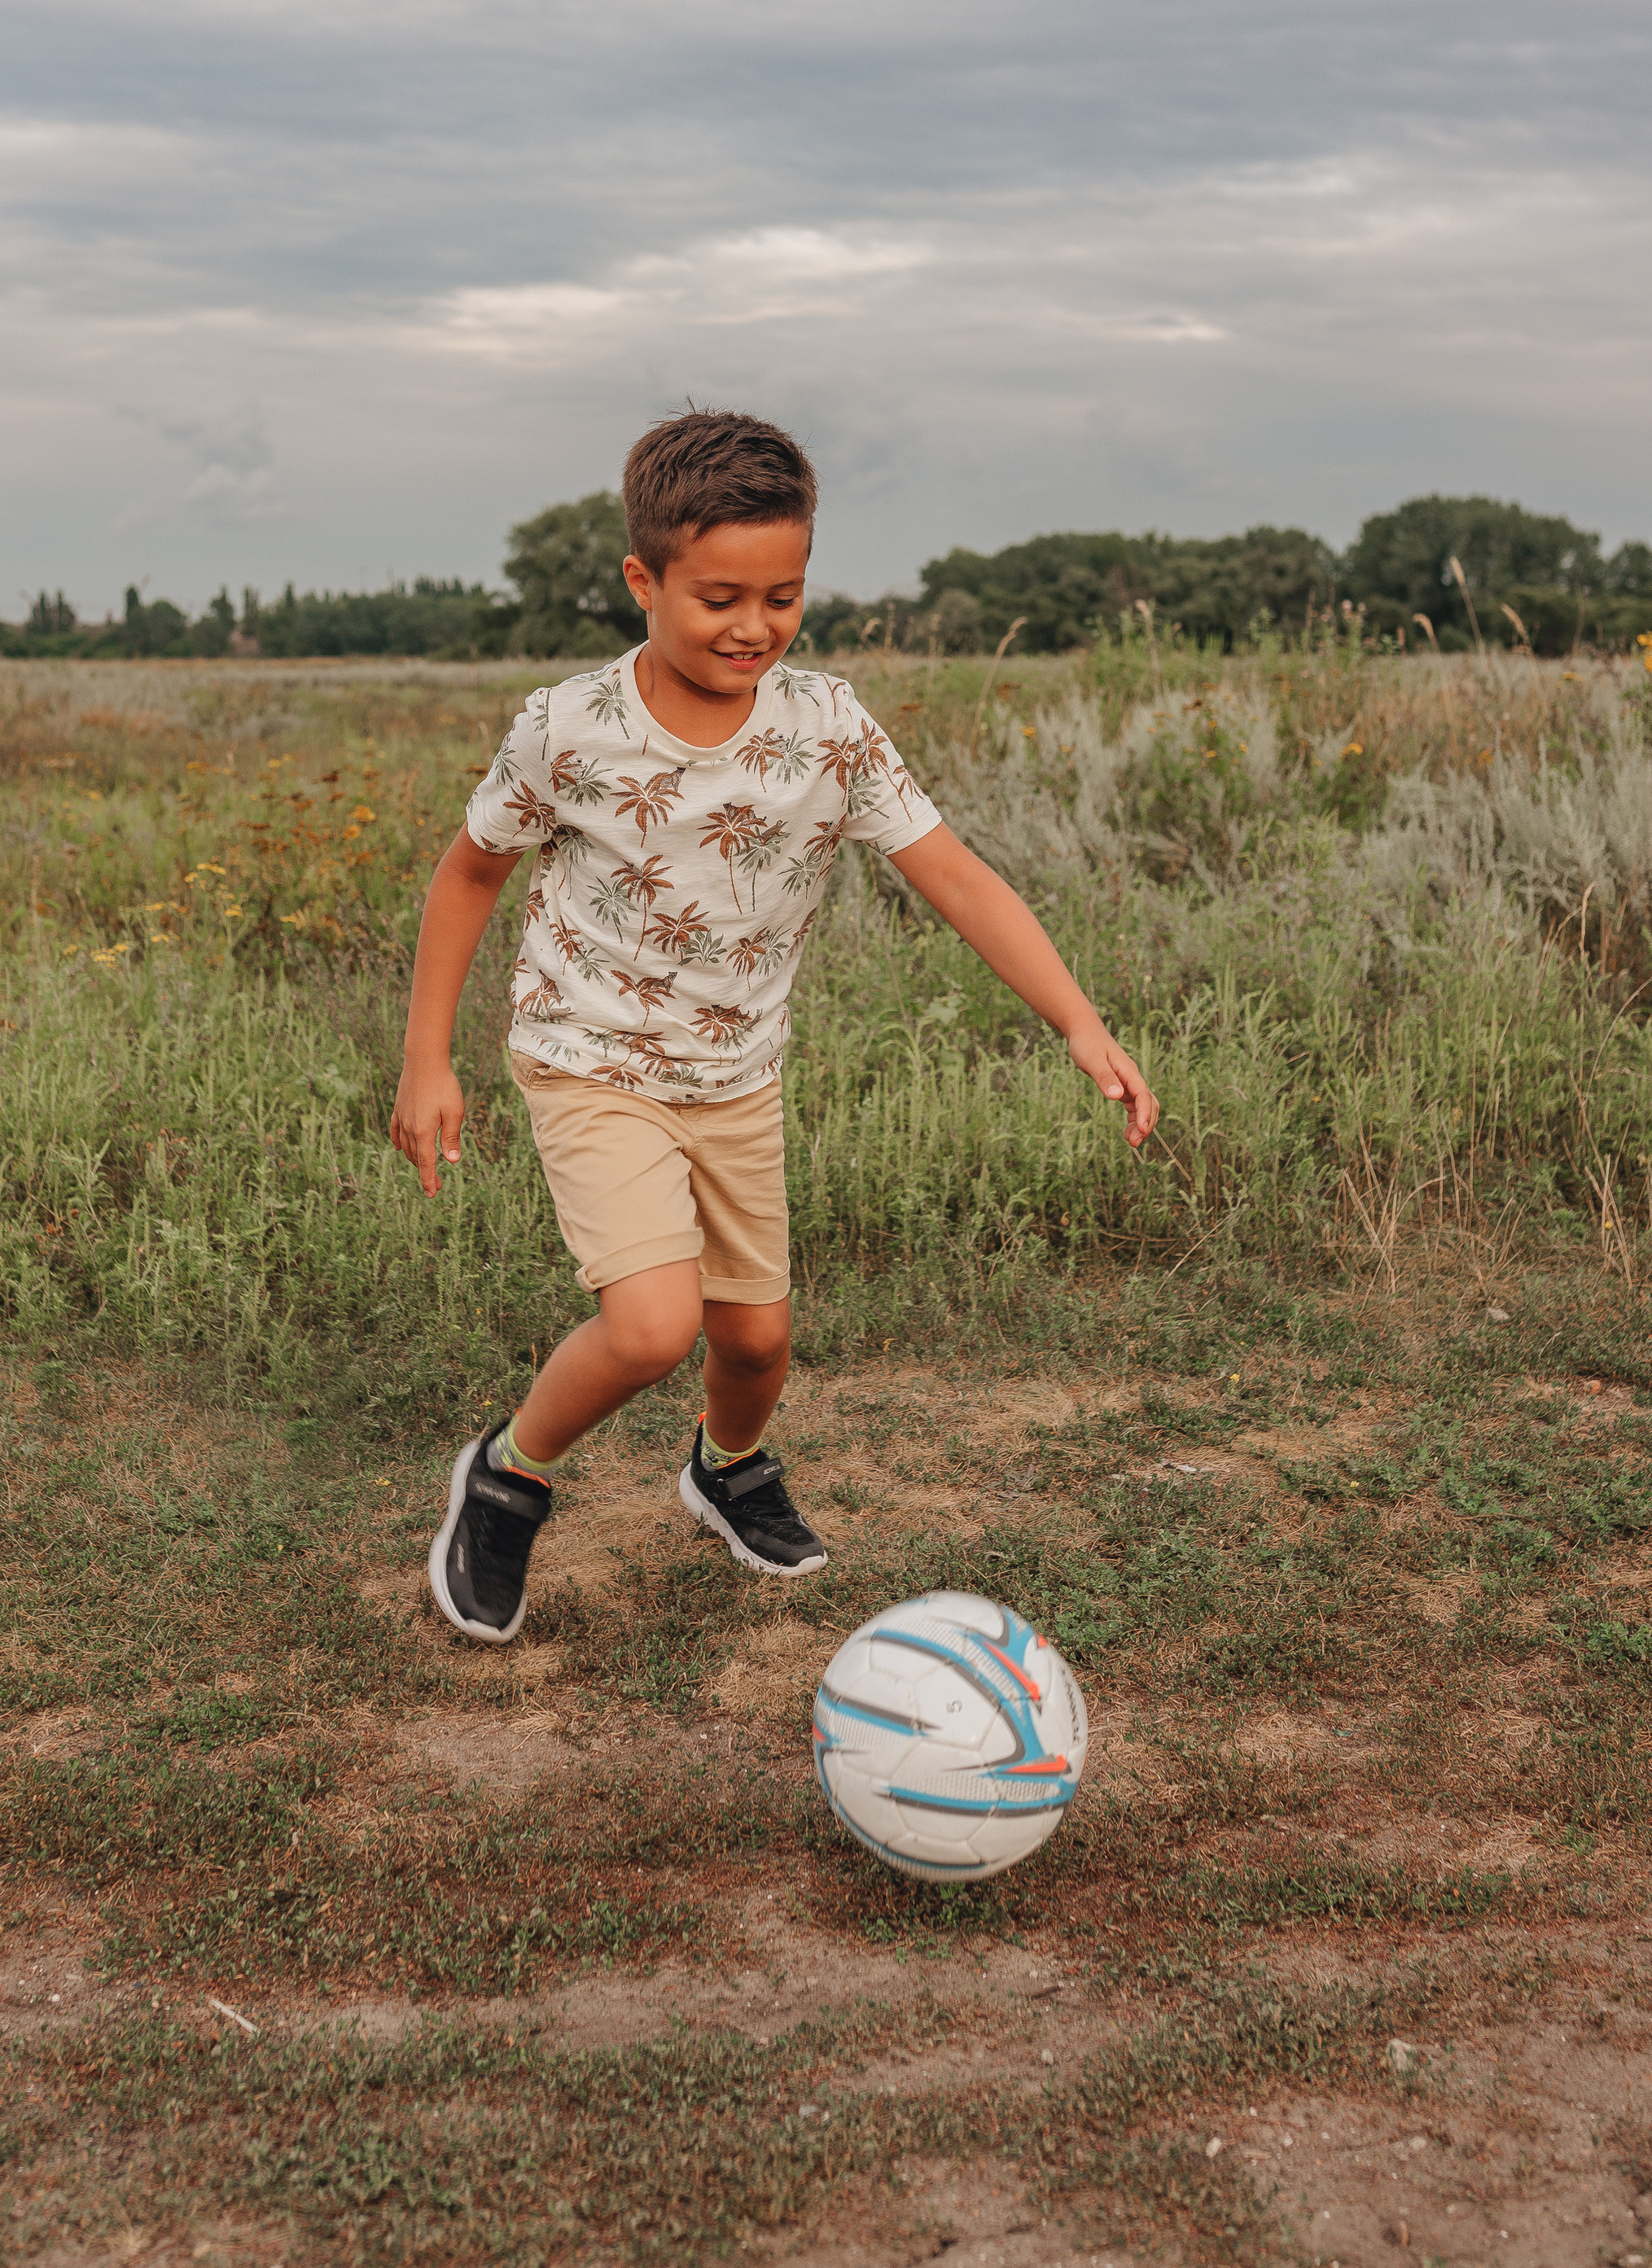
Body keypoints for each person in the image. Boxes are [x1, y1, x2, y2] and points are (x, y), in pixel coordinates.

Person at [390, 409, 1158, 1645]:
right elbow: (470, 872)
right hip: (592, 1058)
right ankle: (508, 1475)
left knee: (755, 1342)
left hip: (736, 1075)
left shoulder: (828, 726)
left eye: (785, 594)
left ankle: (727, 1466)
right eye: (719, 596)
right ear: (643, 580)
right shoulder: (569, 726)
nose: (754, 626)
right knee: (653, 1324)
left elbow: (952, 873)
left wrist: (1076, 1017)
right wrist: (427, 1059)